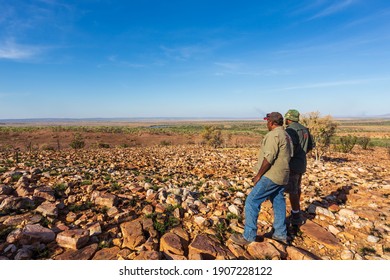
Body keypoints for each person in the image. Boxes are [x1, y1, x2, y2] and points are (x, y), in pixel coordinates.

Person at [230, 112, 293, 246]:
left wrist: (258, 175)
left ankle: (248, 236)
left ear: (271, 123)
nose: (266, 124)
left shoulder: (273, 135)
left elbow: (269, 158)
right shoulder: (286, 135)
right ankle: (280, 234)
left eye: (267, 122)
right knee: (278, 201)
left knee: (252, 201)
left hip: (271, 175)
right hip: (283, 174)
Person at [284, 109, 314, 226]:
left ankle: (296, 216)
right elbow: (310, 147)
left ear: (289, 118)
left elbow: (288, 149)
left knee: (292, 190)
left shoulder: (291, 130)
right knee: (297, 187)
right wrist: (301, 154)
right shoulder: (304, 129)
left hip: (292, 165)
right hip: (301, 163)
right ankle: (295, 210)